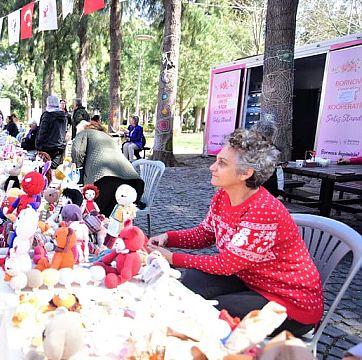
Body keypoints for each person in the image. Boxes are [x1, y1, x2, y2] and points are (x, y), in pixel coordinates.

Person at [147, 128, 324, 337]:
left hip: (288, 302)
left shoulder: (263, 210)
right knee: (193, 282)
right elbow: (205, 234)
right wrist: (169, 238)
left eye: (222, 163)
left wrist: (173, 258)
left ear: (246, 173)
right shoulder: (223, 195)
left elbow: (226, 264)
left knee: (208, 312)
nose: (212, 167)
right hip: (251, 280)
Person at [71, 120, 144, 216]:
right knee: (113, 216)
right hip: (131, 182)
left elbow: (77, 151)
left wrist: (78, 169)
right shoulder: (106, 136)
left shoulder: (84, 133)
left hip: (103, 179)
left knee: (96, 215)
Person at [36, 95, 68, 168]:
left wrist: (38, 146)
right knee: (54, 171)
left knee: (45, 170)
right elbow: (64, 131)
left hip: (46, 148)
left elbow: (42, 132)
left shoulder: (47, 115)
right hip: (59, 148)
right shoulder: (63, 116)